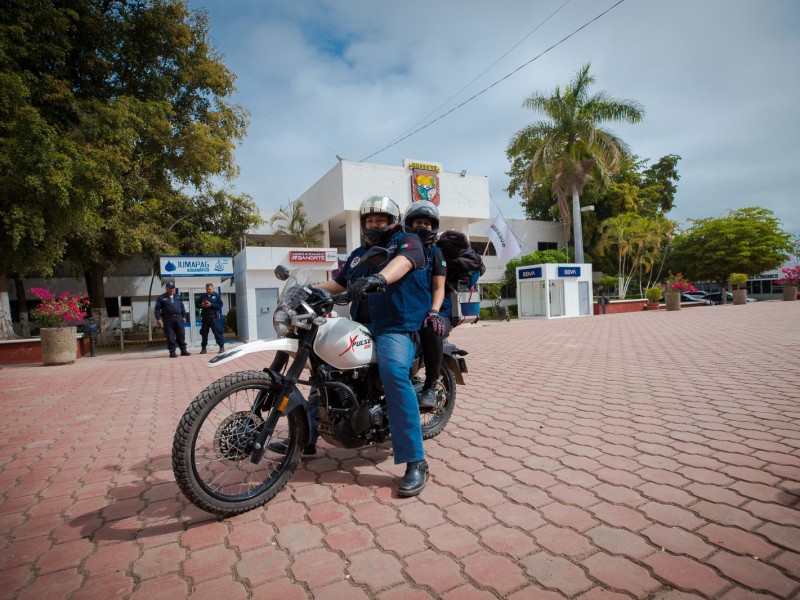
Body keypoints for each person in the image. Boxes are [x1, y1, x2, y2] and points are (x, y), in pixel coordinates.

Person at [315, 195, 432, 496]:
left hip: (397, 325)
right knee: (321, 362)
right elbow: (338, 283)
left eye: (380, 220)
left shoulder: (408, 241)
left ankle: (415, 460)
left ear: (391, 221)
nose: (374, 225)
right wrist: (308, 289)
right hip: (363, 325)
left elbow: (403, 264)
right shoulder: (356, 255)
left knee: (394, 373)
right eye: (369, 221)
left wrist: (378, 278)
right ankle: (306, 433)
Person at [402, 200, 449, 410]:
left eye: (427, 223)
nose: (422, 226)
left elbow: (439, 287)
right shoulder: (402, 249)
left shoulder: (435, 253)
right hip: (411, 307)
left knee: (433, 329)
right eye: (418, 222)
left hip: (434, 309)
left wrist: (434, 312)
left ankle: (430, 386)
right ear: (409, 225)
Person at [154, 281, 190, 358]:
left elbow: (182, 307)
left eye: (173, 288)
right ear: (166, 288)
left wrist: (184, 316)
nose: (172, 289)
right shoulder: (161, 298)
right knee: (170, 336)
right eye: (170, 288)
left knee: (181, 335)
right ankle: (172, 352)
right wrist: (158, 319)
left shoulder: (178, 297)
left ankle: (183, 350)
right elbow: (157, 309)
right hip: (168, 319)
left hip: (178, 318)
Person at [195, 283, 225, 354]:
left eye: (209, 289)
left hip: (214, 318)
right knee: (204, 333)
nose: (208, 290)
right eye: (207, 289)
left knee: (217, 333)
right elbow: (197, 304)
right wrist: (202, 305)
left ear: (213, 288)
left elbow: (220, 305)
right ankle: (203, 348)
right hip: (205, 318)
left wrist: (211, 304)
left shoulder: (216, 295)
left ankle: (221, 347)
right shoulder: (203, 296)